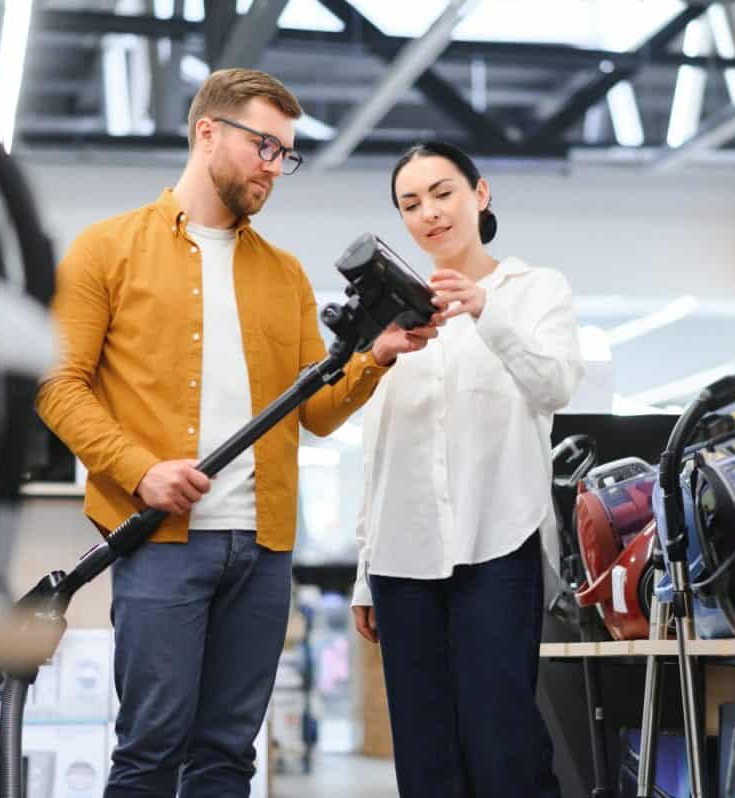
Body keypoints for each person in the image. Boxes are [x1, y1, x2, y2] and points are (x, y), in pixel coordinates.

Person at [36, 68, 437, 797]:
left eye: (286, 154)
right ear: (207, 132)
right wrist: (140, 470)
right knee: (151, 749)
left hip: (263, 550)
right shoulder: (106, 250)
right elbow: (56, 385)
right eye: (264, 146)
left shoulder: (283, 276)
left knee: (228, 756)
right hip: (159, 539)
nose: (274, 167)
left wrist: (375, 358)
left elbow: (311, 410)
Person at [351, 141, 584, 798]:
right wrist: (365, 574)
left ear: (480, 195)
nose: (429, 212)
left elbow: (555, 384)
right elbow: (382, 450)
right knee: (425, 758)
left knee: (503, 742)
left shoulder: (535, 289)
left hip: (497, 545)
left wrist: (487, 312)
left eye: (442, 192)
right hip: (402, 560)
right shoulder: (397, 316)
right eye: (411, 203)